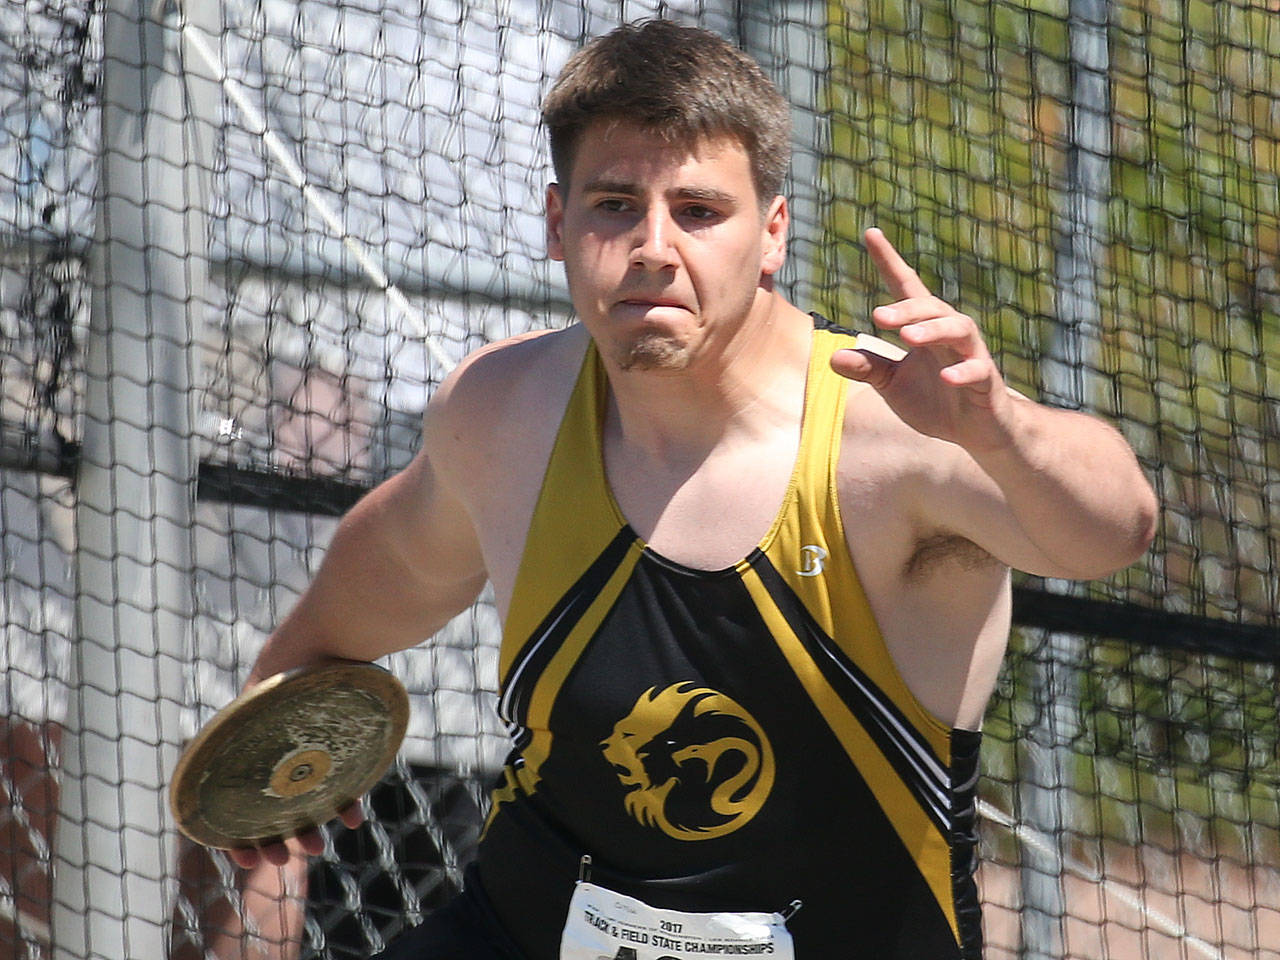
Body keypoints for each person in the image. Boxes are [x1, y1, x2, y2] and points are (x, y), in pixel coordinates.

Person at [221, 19, 1158, 960]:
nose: (654, 247)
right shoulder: (507, 414)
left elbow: (1112, 532)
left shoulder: (900, 430)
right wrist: (272, 723)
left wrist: (1002, 428)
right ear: (558, 224)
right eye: (615, 205)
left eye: (700, 211)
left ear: (772, 235)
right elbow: (386, 571)